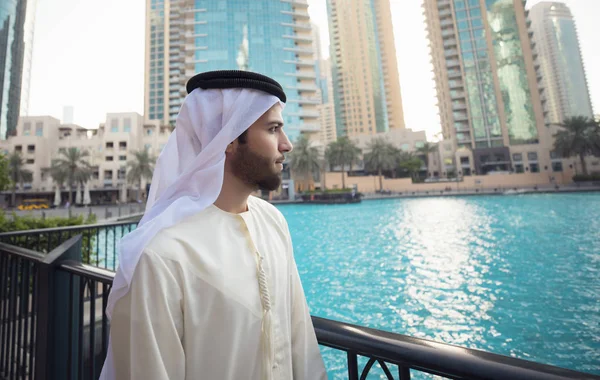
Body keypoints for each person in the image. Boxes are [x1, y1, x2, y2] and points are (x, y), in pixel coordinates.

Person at [99, 71, 327, 380]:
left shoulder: (273, 221)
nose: (286, 144)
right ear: (230, 139)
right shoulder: (163, 256)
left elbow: (301, 340)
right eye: (273, 129)